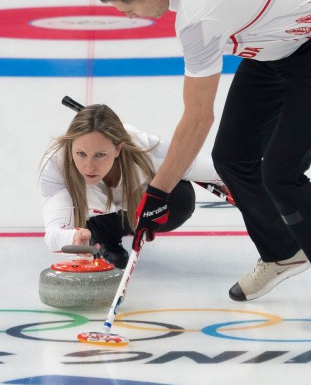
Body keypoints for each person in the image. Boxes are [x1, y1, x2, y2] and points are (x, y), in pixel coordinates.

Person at [93, 0, 311, 329]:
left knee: (282, 174)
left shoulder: (199, 17)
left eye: (128, 9)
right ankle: (282, 251)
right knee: (231, 158)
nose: (128, 17)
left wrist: (159, 191)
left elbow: (198, 117)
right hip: (274, 43)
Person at [39, 103, 221, 268]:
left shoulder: (150, 152)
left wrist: (246, 197)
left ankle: (127, 220)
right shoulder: (56, 166)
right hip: (95, 214)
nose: (89, 166)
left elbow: (220, 173)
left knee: (181, 198)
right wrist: (72, 237)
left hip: (142, 204)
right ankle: (101, 235)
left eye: (100, 154)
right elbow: (54, 233)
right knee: (89, 219)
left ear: (118, 148)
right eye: (80, 153)